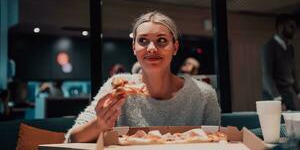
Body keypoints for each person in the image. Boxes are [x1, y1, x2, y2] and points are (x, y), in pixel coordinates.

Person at [66, 11, 220, 143]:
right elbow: (72, 139)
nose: (152, 48)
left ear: (175, 47)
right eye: (143, 41)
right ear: (134, 47)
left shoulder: (204, 95)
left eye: (161, 40)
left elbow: (217, 142)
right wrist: (99, 124)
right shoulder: (118, 87)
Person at [261, 13, 299, 110]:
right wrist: (278, 99)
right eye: (291, 26)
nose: (294, 30)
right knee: (277, 123)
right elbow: (267, 75)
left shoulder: (290, 48)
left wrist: (298, 92)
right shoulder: (269, 47)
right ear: (281, 27)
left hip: (288, 94)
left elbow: (292, 73)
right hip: (273, 96)